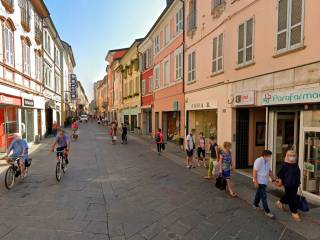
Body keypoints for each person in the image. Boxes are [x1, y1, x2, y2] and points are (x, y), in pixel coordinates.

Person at [276, 150, 301, 221]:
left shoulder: (295, 164)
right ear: (287, 156)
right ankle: (294, 212)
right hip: (288, 184)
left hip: (295, 184)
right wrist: (280, 181)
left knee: (288, 195)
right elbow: (280, 174)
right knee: (292, 198)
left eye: (293, 156)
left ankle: (280, 202)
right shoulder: (285, 165)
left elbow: (297, 173)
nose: (292, 157)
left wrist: (298, 182)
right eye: (290, 155)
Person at [253, 150, 276, 219]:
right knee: (264, 197)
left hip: (265, 181)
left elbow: (269, 171)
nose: (270, 157)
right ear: (265, 155)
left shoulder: (267, 161)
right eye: (269, 156)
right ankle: (267, 211)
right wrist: (255, 181)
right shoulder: (258, 161)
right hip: (259, 181)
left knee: (259, 194)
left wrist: (273, 178)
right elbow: (254, 171)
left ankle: (255, 204)